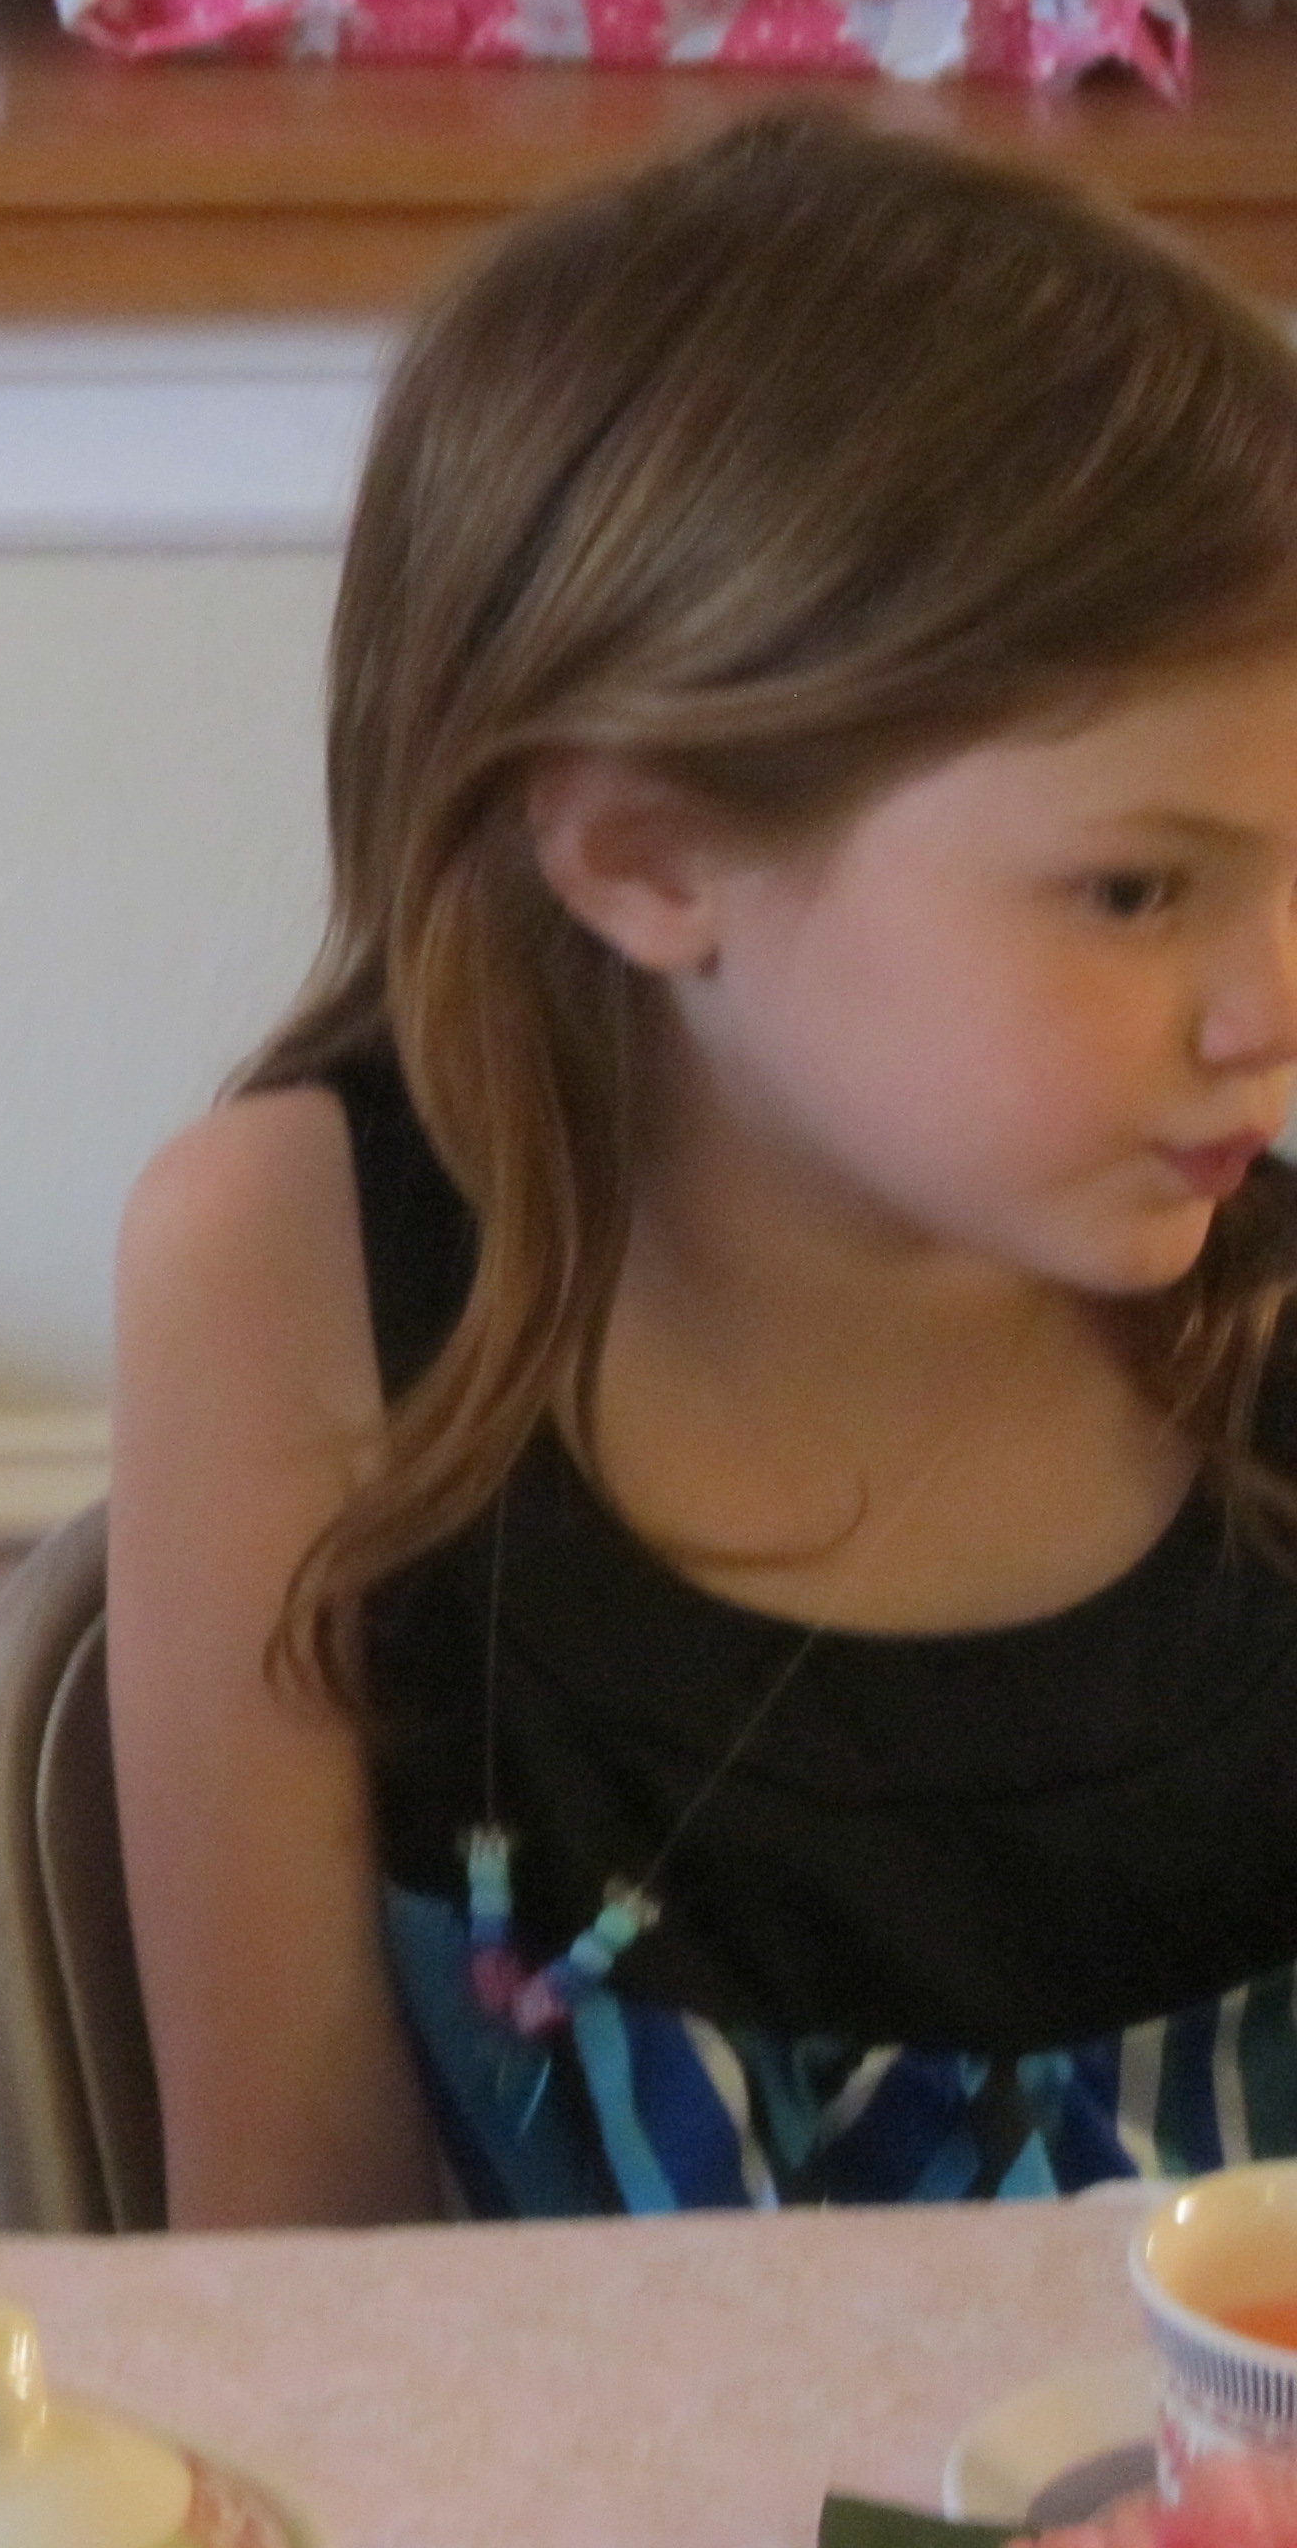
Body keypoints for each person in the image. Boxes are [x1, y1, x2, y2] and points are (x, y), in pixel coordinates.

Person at [106, 107, 1297, 2229]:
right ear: (648, 858)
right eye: (1136, 891)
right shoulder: (292, 1274)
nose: (1269, 1006)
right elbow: (278, 2269)